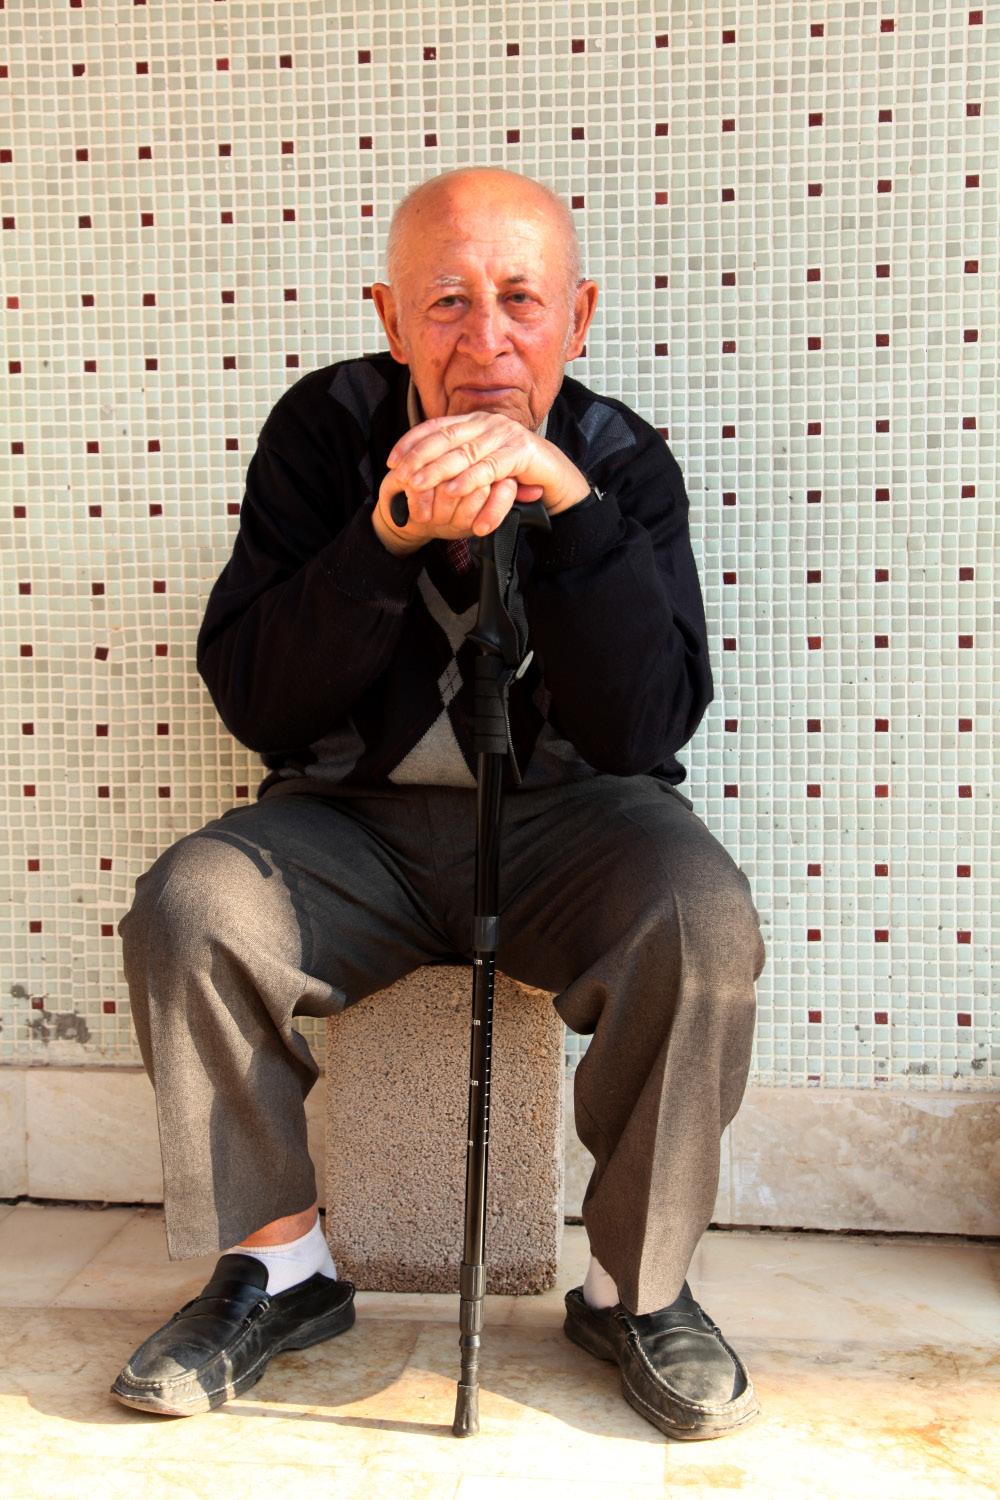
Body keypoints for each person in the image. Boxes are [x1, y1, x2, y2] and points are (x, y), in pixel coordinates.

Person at [111, 166, 767, 1442]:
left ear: (576, 317)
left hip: (571, 831)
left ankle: (634, 1290)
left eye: (521, 299)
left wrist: (570, 514)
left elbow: (645, 727)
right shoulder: (323, 431)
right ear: (392, 317)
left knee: (700, 918)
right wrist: (385, 539)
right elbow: (255, 697)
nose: (487, 340)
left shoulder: (620, 458)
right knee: (191, 909)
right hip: (345, 830)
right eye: (448, 302)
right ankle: (279, 1272)